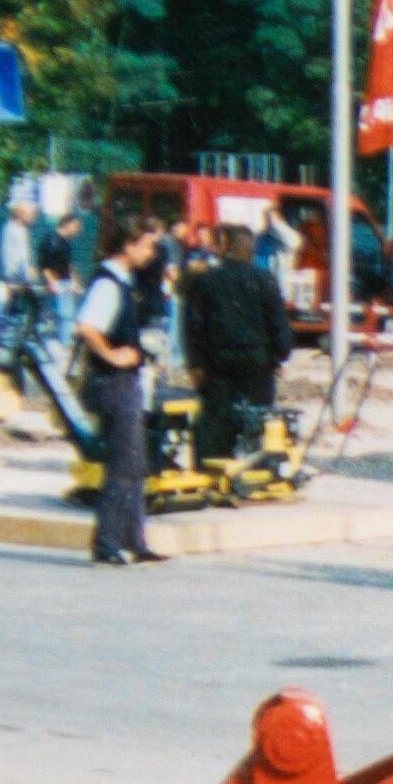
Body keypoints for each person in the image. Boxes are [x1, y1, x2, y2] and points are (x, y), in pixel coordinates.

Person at [76, 223, 171, 567]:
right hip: (114, 382)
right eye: (145, 246)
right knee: (124, 463)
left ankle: (133, 539)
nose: (150, 254)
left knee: (135, 463)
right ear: (127, 245)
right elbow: (87, 326)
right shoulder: (108, 283)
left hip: (125, 382)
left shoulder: (124, 282)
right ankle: (109, 541)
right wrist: (112, 354)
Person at [179, 222, 291, 463]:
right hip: (257, 363)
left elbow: (193, 327)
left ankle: (213, 470)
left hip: (217, 365)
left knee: (217, 424)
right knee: (256, 421)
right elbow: (278, 323)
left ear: (226, 245)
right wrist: (279, 357)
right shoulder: (264, 279)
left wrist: (195, 363)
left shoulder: (206, 281)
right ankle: (255, 470)